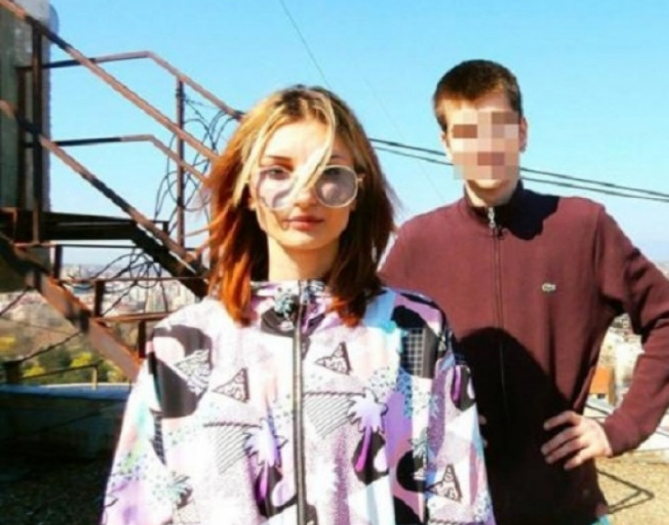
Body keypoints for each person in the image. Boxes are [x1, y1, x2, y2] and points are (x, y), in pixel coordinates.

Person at [101, 85, 495, 525]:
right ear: (248, 189)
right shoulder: (182, 344)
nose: (305, 193)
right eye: (278, 171)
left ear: (358, 190)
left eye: (330, 172)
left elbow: (459, 498)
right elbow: (140, 503)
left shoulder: (415, 329)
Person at [380, 60, 669, 525]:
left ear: (522, 133)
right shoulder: (418, 243)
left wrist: (621, 427)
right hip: (451, 509)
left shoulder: (582, 227)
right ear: (446, 145)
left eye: (498, 128)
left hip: (566, 508)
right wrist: (429, 418)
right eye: (466, 133)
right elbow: (374, 349)